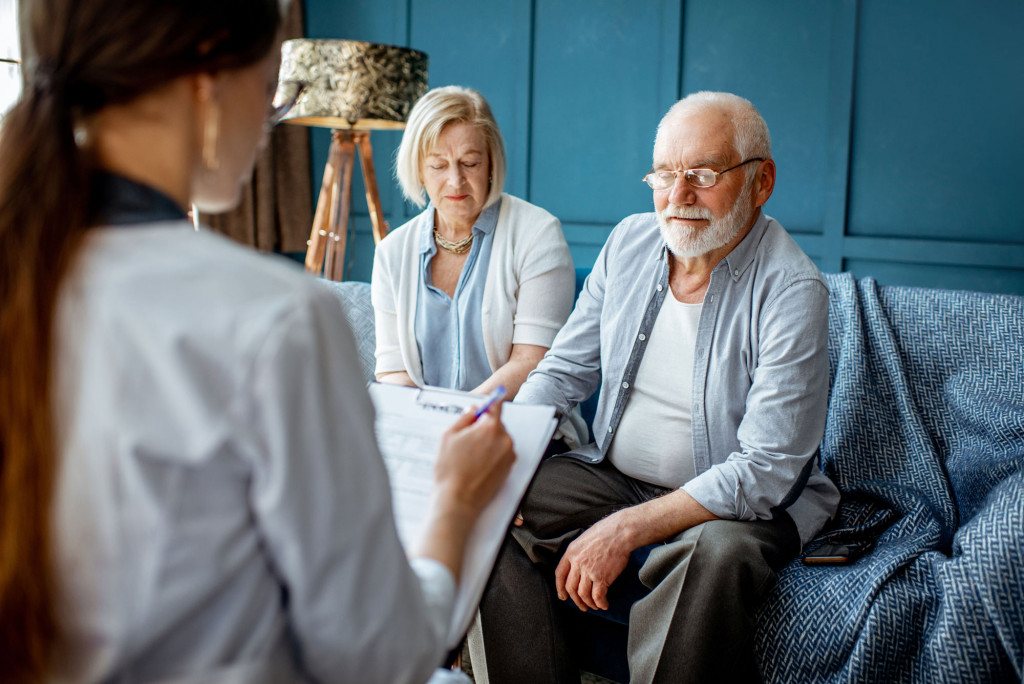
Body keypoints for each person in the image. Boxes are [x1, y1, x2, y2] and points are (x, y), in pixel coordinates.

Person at [0, 1, 515, 683]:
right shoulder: (275, 319)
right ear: (210, 75)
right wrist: (455, 503)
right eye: (276, 84)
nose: (274, 119)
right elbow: (384, 655)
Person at [469, 91, 841, 683]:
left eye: (703, 174)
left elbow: (768, 468)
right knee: (483, 501)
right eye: (665, 174)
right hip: (613, 478)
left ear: (761, 181)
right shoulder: (630, 243)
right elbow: (562, 374)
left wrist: (625, 530)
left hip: (734, 511)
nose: (679, 195)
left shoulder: (793, 290)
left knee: (716, 555)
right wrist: (508, 459)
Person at [371, 86, 585, 447]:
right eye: (438, 165)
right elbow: (394, 372)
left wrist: (457, 423)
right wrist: (422, 430)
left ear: (490, 164)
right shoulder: (393, 251)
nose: (455, 181)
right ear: (419, 170)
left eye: (470, 163)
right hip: (426, 435)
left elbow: (532, 362)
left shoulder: (537, 234)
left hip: (515, 428)